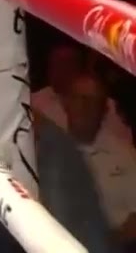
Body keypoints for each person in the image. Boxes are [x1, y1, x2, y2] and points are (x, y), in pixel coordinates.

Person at [64, 73, 136, 248]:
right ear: (66, 104)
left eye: (93, 101)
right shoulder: (49, 151)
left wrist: (106, 243)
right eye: (79, 98)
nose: (84, 107)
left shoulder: (124, 154)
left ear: (104, 111)